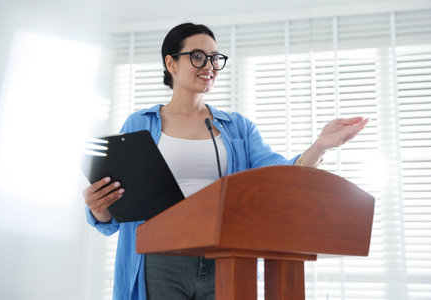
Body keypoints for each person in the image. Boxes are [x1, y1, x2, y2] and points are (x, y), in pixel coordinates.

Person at [83, 23, 369, 300]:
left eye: (215, 58)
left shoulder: (238, 128)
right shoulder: (140, 123)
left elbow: (280, 174)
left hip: (224, 255)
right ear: (171, 63)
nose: (209, 66)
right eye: (197, 56)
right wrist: (101, 208)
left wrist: (320, 145)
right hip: (160, 260)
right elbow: (119, 206)